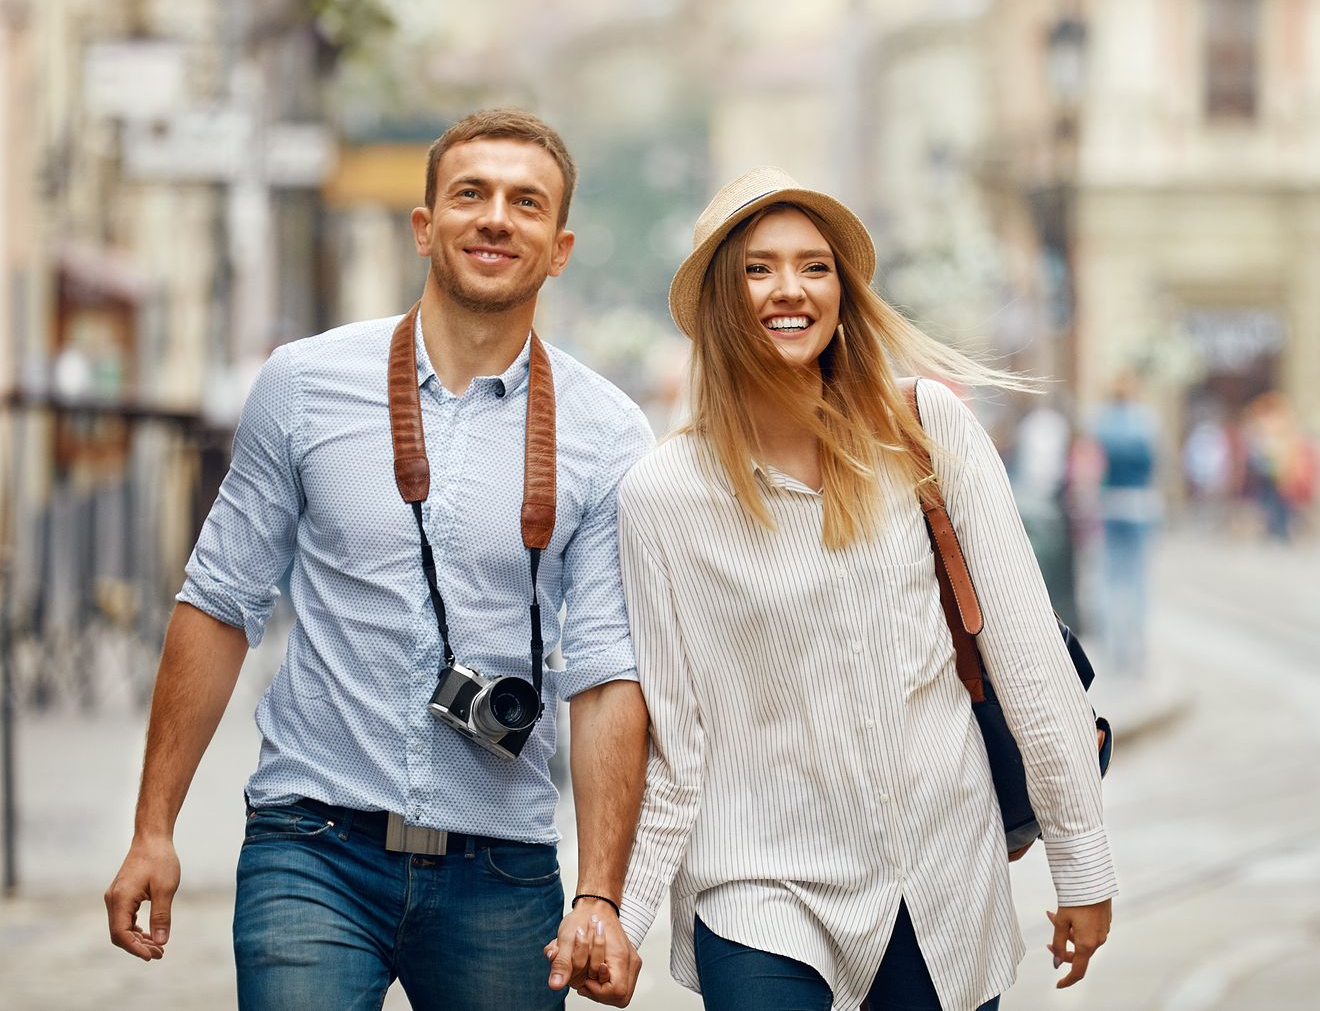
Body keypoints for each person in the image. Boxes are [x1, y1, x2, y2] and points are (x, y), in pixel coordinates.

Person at [104, 108, 652, 1010]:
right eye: (470, 194)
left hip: (502, 869)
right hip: (311, 846)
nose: (495, 218)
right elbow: (219, 602)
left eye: (526, 203)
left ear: (559, 249)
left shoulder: (606, 431)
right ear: (424, 226)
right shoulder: (304, 383)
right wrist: (152, 828)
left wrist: (600, 893)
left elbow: (605, 674)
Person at [611, 169, 1117, 1010]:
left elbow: (1028, 659)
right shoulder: (662, 495)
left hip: (938, 872)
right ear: (718, 302)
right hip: (759, 881)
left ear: (843, 293)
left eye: (815, 267)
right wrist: (619, 920)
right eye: (757, 268)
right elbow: (677, 736)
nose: (790, 290)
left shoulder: (926, 430)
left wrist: (1082, 862)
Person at [1090, 371, 1160, 676]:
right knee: (1137, 578)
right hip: (1140, 504)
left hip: (1109, 504)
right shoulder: (1145, 421)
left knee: (1109, 576)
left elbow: (1093, 466)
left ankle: (1114, 641)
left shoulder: (1101, 422)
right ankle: (1136, 641)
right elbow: (1157, 462)